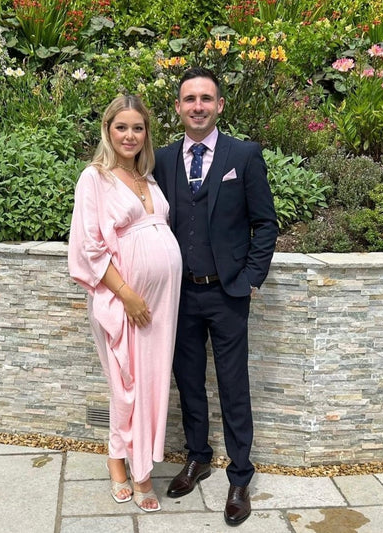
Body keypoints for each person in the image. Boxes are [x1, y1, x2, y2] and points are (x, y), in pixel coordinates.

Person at [153, 66, 279, 526]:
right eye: (190, 99)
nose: (198, 106)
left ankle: (240, 475)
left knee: (232, 385)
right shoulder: (163, 159)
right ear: (178, 107)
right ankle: (198, 457)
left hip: (226, 293)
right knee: (188, 381)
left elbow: (265, 223)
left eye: (206, 98)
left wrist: (250, 279)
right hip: (179, 294)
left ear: (220, 105)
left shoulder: (243, 155)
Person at [68, 95, 182, 512]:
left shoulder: (147, 178)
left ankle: (141, 467)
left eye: (137, 127)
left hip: (163, 303)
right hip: (124, 300)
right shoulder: (94, 178)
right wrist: (128, 294)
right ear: (108, 130)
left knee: (152, 384)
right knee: (126, 385)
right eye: (122, 127)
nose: (130, 135)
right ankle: (120, 463)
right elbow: (89, 246)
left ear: (146, 133)